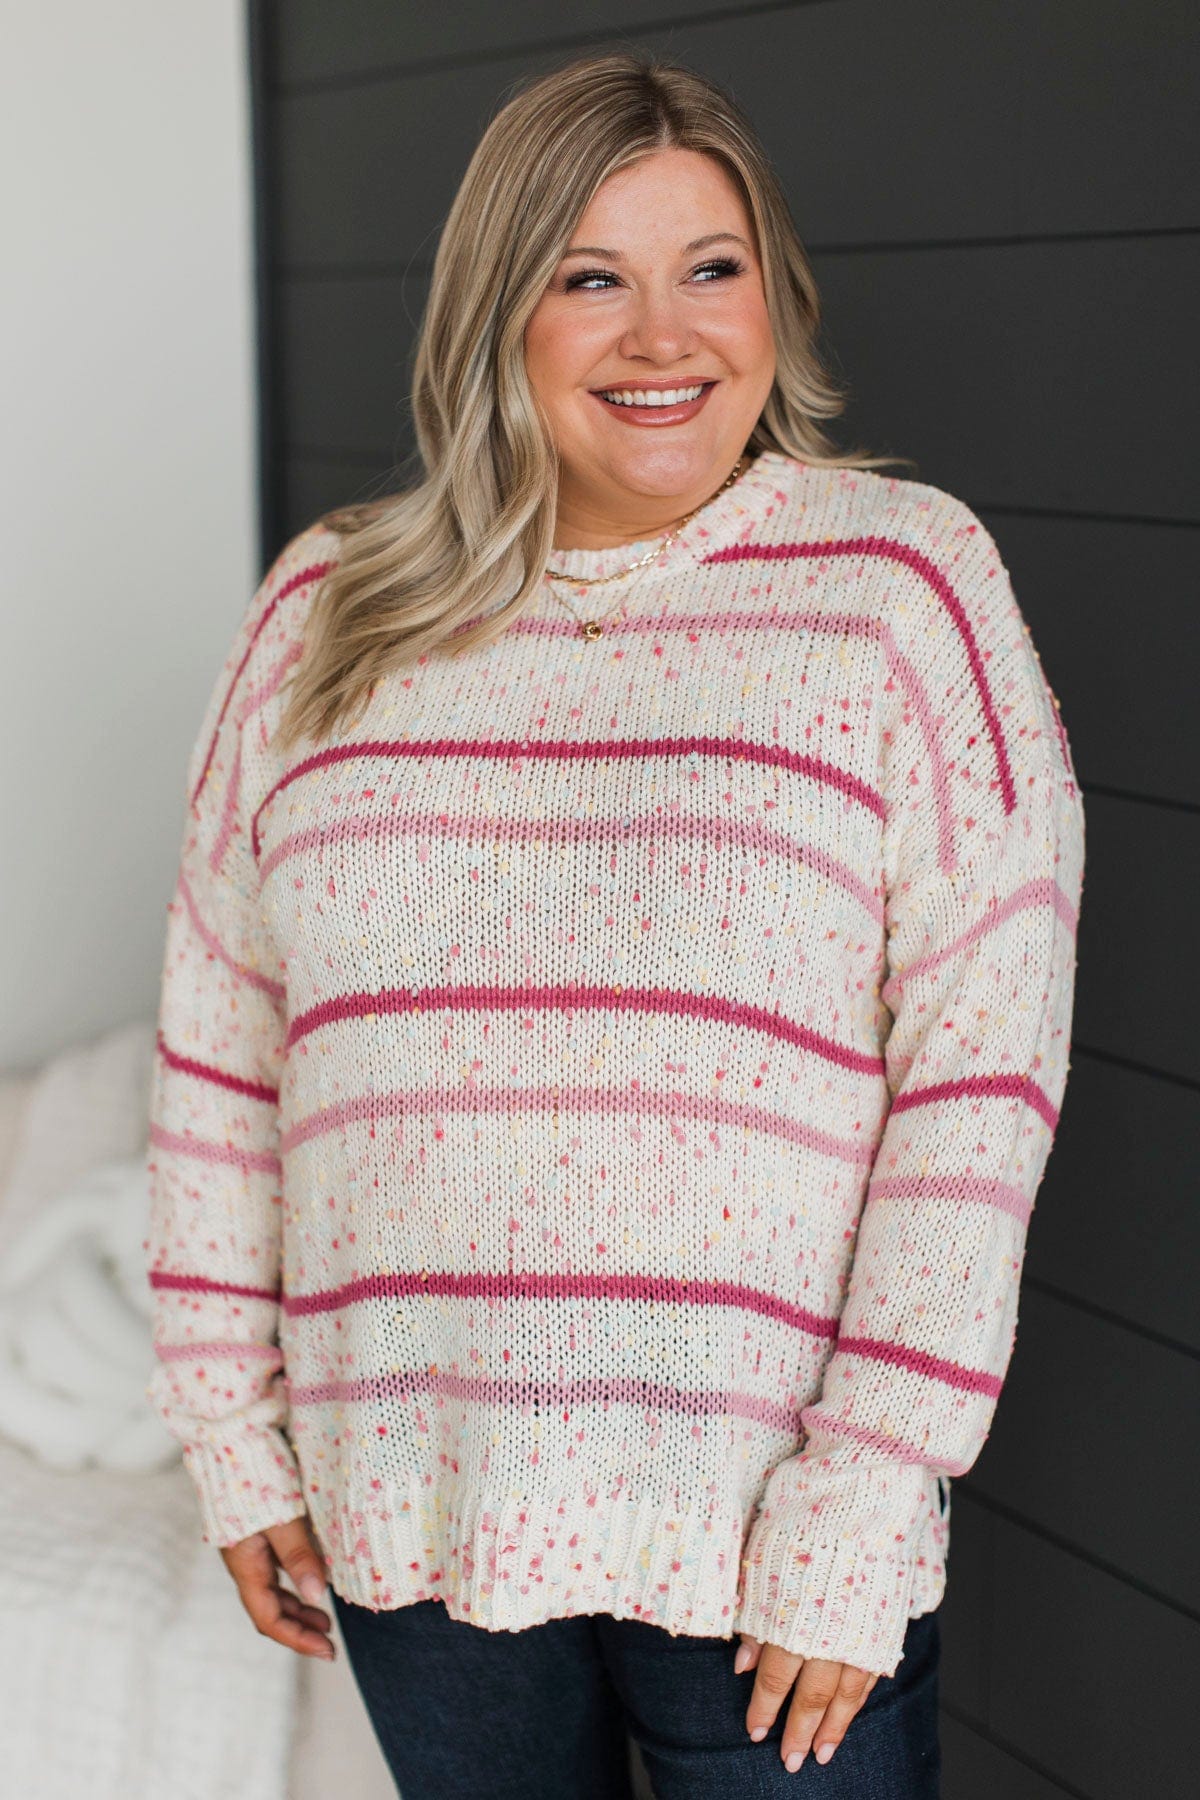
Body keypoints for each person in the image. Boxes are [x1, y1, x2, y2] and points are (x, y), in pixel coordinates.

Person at [143, 48, 1084, 1800]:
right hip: (409, 1509)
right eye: (591, 278)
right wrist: (227, 1424)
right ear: (496, 315)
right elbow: (222, 1047)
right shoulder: (326, 612)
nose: (665, 335)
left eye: (710, 268)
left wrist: (868, 1493)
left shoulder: (899, 588)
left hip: (768, 1535)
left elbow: (981, 1082)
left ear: (774, 296)